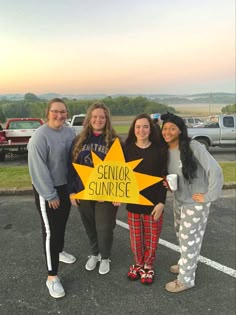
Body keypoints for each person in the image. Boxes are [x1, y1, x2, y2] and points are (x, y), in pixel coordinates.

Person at [160, 112, 223, 293]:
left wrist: (209, 196)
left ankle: (186, 279)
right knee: (182, 236)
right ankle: (185, 263)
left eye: (172, 128)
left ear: (180, 130)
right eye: (165, 128)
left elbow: (215, 170)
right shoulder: (167, 150)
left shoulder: (193, 146)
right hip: (180, 199)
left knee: (189, 240)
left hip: (195, 203)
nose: (168, 132)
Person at [28, 98, 76, 299]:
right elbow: (38, 169)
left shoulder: (69, 131)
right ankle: (52, 277)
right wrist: (50, 194)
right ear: (48, 113)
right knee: (50, 232)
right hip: (48, 190)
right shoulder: (39, 137)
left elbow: (73, 160)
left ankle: (59, 251)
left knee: (61, 225)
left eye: (63, 112)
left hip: (65, 188)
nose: (60, 115)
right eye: (55, 111)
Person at [68, 102, 119, 275]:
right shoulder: (79, 140)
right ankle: (95, 253)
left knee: (104, 227)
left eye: (102, 117)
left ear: (107, 119)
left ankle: (105, 257)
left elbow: (121, 170)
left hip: (105, 195)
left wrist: (115, 193)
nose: (98, 120)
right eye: (95, 116)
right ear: (89, 118)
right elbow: (71, 168)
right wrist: (71, 191)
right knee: (89, 225)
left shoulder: (114, 141)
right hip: (83, 193)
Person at [123, 113, 167, 284]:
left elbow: (164, 178)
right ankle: (138, 263)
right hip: (133, 204)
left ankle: (149, 265)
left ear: (151, 129)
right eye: (138, 127)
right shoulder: (126, 150)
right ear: (133, 129)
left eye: (145, 126)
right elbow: (118, 177)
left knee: (152, 238)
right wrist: (115, 195)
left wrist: (162, 203)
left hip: (154, 204)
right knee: (136, 240)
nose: (141, 130)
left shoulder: (159, 151)